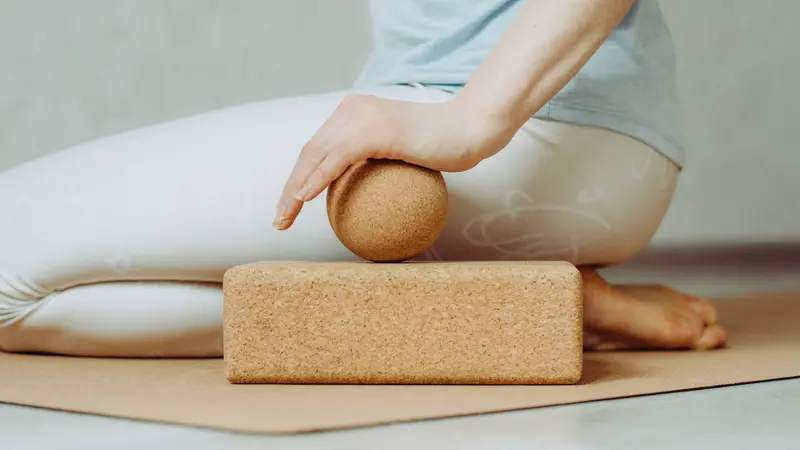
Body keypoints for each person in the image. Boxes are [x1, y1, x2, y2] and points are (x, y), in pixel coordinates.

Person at [0, 0, 726, 357]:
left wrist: (473, 119)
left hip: (541, 133)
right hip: (595, 161)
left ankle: (511, 306)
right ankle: (521, 310)